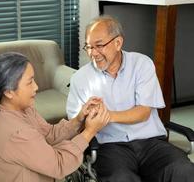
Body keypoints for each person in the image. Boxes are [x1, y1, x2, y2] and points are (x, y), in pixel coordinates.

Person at [66, 15, 194, 182]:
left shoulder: (142, 64)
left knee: (183, 170)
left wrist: (106, 116)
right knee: (121, 178)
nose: (93, 53)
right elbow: (75, 124)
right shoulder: (80, 78)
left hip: (151, 143)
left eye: (99, 46)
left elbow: (143, 112)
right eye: (88, 47)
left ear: (118, 43)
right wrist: (85, 116)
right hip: (111, 147)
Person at [0, 52, 110, 182]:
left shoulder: (23, 109)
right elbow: (59, 165)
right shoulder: (17, 133)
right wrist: (89, 132)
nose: (36, 87)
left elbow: (49, 134)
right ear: (8, 92)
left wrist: (79, 119)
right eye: (29, 82)